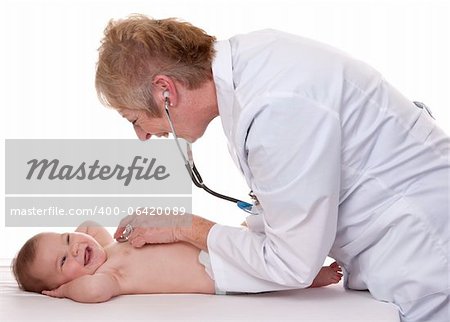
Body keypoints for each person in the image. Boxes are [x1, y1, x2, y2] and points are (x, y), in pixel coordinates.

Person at [95, 15, 449, 321]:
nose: (142, 135)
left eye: (135, 119)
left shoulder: (276, 108)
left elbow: (292, 264)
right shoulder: (253, 66)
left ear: (165, 92)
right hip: (408, 240)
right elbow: (287, 203)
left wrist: (184, 227)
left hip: (425, 256)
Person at [12, 220, 343, 303]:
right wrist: (68, 291)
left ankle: (318, 237)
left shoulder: (107, 247)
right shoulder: (112, 275)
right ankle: (314, 276)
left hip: (210, 246)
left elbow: (88, 227)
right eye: (62, 262)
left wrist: (78, 238)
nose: (74, 248)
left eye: (68, 240)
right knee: (266, 275)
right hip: (217, 275)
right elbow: (95, 291)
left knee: (253, 238)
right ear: (63, 282)